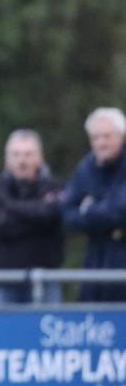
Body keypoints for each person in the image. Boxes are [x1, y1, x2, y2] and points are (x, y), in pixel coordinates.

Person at [0, 130, 64, 304]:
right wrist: (35, 217)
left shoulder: (55, 186)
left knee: (45, 330)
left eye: (28, 154)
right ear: (7, 159)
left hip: (46, 277)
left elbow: (50, 215)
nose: (22, 160)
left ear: (40, 158)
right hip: (4, 280)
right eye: (16, 154)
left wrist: (9, 206)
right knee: (3, 331)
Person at [62, 107, 126, 302]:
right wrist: (103, 210)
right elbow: (68, 213)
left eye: (107, 136)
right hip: (96, 257)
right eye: (95, 138)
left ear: (122, 136)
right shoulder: (86, 167)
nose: (101, 143)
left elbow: (121, 210)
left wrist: (89, 209)